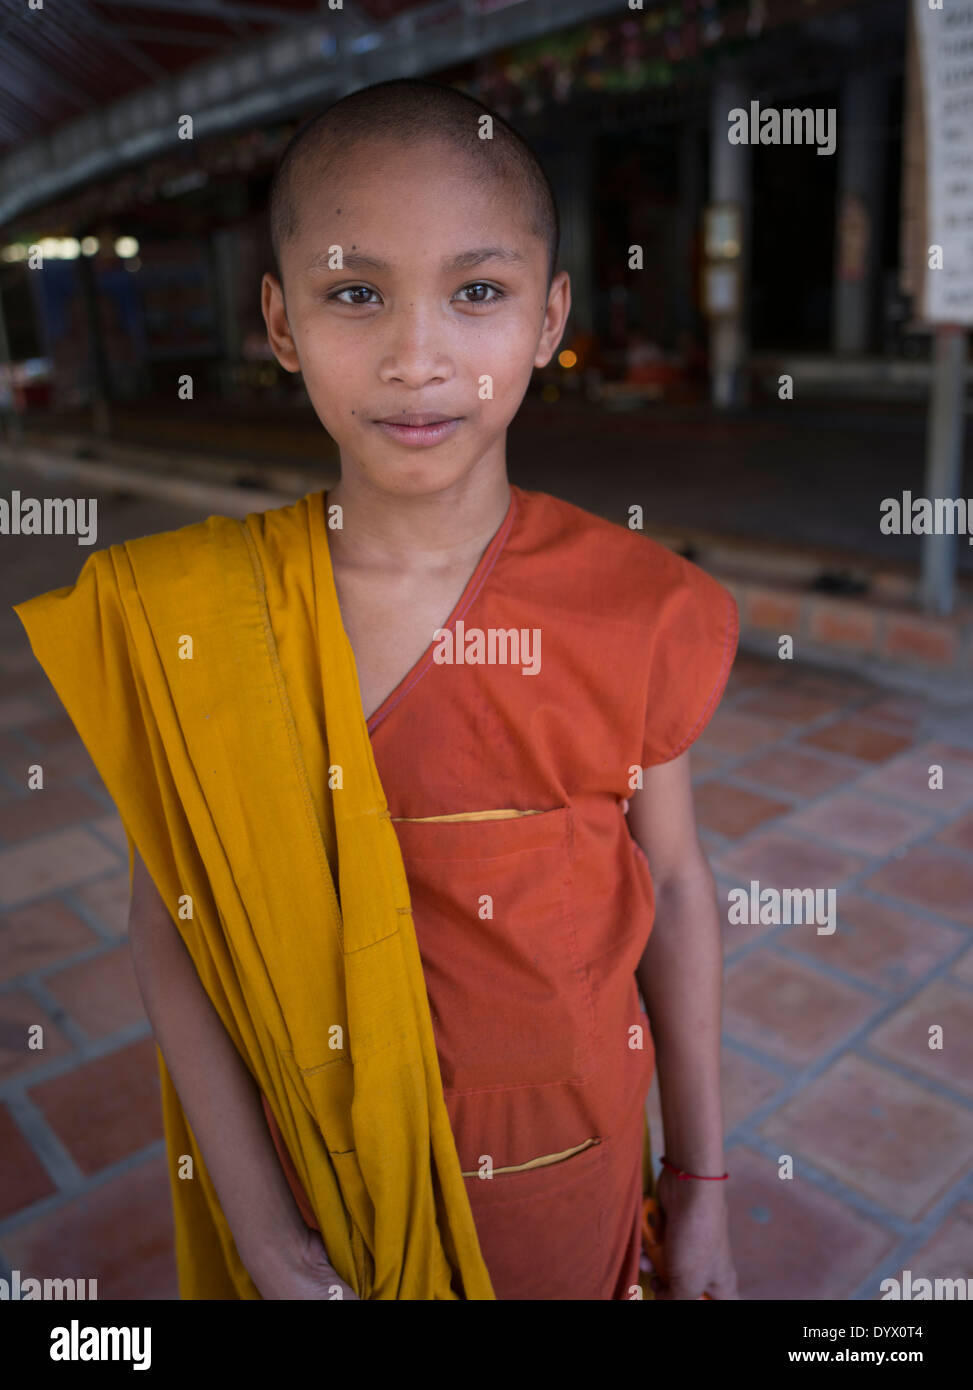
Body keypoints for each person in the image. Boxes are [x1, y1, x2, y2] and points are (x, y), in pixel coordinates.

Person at [14, 78, 740, 1301]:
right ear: (283, 322)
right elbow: (173, 924)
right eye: (357, 293)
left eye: (478, 291)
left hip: (579, 1176)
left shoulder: (639, 603)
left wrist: (703, 1188)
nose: (417, 358)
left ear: (549, 315)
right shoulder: (195, 618)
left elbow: (669, 884)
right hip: (319, 1192)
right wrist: (258, 1229)